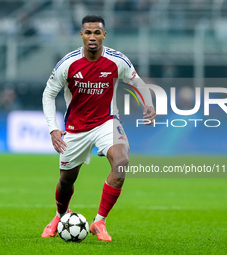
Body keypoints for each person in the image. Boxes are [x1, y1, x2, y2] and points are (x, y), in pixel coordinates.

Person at [42, 15, 156, 241]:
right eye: (88, 32)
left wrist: (149, 104)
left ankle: (99, 221)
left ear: (104, 35)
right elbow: (49, 94)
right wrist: (53, 128)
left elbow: (137, 82)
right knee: (66, 181)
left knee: (121, 163)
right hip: (76, 128)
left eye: (97, 33)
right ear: (81, 35)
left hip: (107, 122)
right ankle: (60, 215)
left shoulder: (117, 60)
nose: (92, 37)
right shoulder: (68, 63)